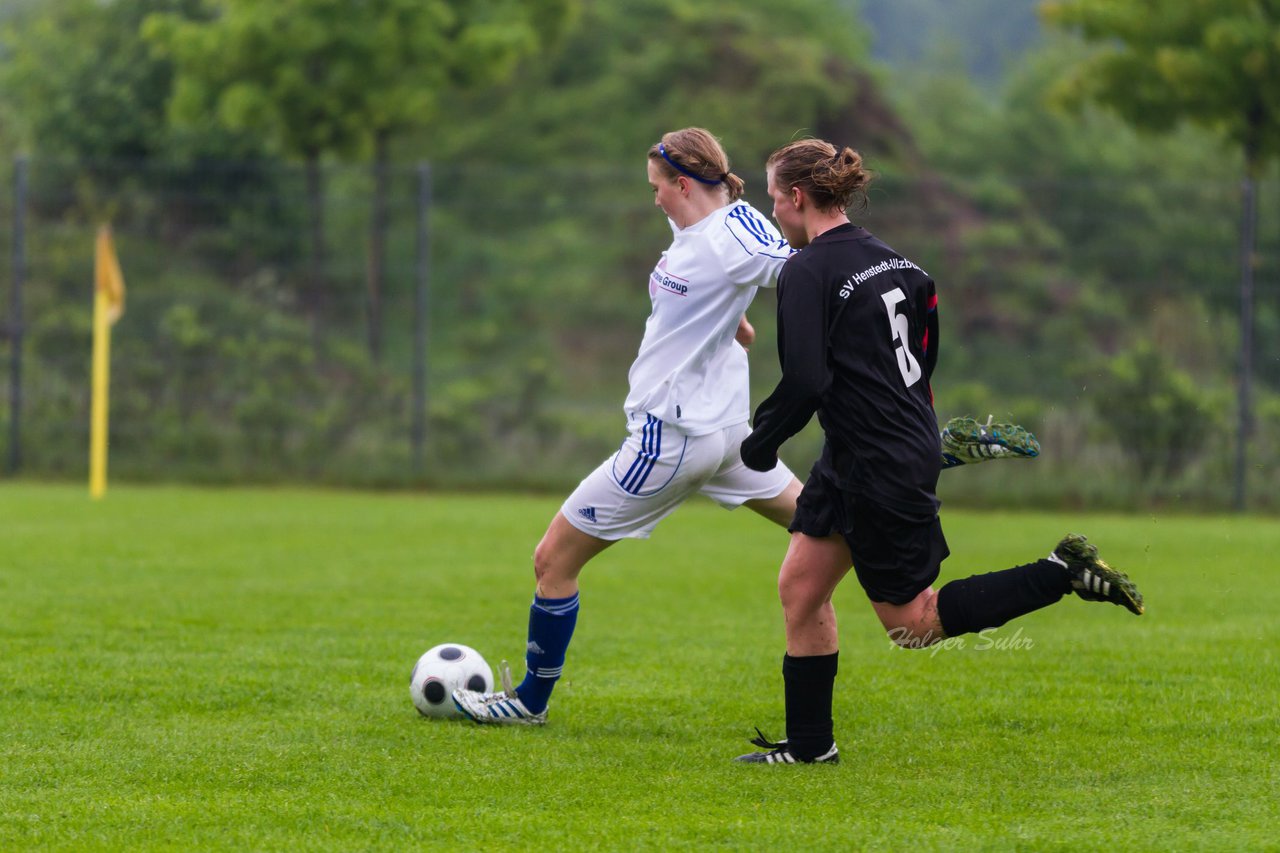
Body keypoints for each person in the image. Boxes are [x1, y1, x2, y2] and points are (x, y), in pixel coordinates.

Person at [451, 128, 1038, 727]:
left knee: (552, 561)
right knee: (838, 531)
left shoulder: (732, 234)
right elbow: (764, 282)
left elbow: (816, 275)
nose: (652, 198)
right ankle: (922, 454)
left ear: (681, 184)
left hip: (671, 440)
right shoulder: (724, 224)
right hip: (728, 442)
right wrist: (733, 322)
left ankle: (527, 703)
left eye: (655, 187)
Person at [733, 138, 1144, 765]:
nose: (772, 216)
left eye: (771, 201)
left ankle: (1061, 572)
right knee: (800, 588)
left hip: (877, 466)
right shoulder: (899, 264)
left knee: (912, 626)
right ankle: (812, 748)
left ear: (796, 198)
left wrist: (759, 444)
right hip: (863, 454)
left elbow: (807, 382)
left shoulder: (805, 271)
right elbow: (922, 361)